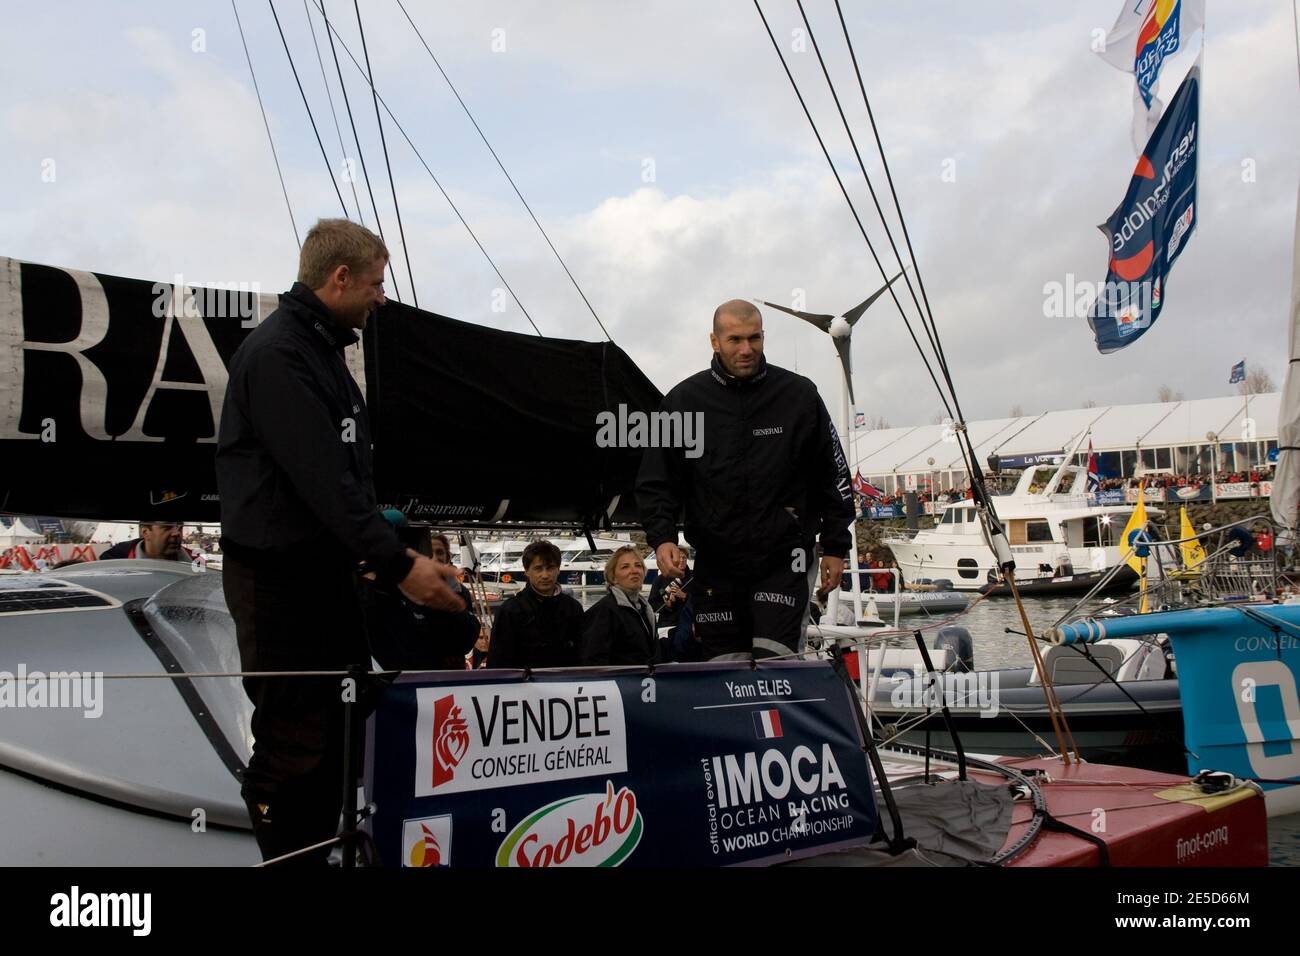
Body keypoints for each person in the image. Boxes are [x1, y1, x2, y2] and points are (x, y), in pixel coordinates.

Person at [215, 218, 464, 866]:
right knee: (294, 748)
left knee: (341, 733)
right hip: (276, 585)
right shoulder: (279, 356)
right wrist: (398, 565)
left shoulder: (323, 352)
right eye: (377, 284)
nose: (382, 298)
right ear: (341, 277)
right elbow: (322, 478)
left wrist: (386, 556)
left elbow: (352, 482)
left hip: (327, 581)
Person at [637, 299, 854, 660]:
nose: (746, 349)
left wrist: (835, 545)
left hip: (785, 560)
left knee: (775, 663)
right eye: (735, 339)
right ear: (714, 341)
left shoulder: (800, 395)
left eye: (754, 338)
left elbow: (832, 475)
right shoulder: (681, 402)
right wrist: (662, 539)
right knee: (724, 668)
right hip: (717, 563)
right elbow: (656, 481)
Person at [358, 514, 479, 672]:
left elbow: (463, 640)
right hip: (385, 684)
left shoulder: (435, 588)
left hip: (431, 683)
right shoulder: (363, 589)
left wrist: (445, 600)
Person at [487, 540, 585, 668]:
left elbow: (583, 653)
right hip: (524, 685)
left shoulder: (573, 608)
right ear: (527, 571)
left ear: (558, 569)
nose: (545, 575)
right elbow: (498, 661)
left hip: (566, 683)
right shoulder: (510, 611)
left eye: (550, 568)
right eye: (538, 568)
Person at [580, 546, 662, 665]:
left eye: (638, 565)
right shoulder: (604, 611)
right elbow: (593, 659)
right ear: (613, 577)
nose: (634, 570)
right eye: (625, 567)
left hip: (645, 681)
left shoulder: (644, 609)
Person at [99, 521, 200, 562]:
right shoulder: (115, 559)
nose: (176, 533)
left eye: (180, 527)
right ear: (145, 532)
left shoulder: (197, 561)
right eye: (167, 527)